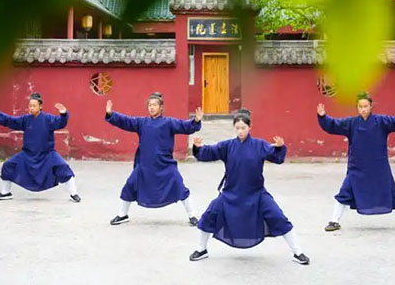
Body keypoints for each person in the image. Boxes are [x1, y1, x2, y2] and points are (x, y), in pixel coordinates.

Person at [189, 109, 310, 265]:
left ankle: (298, 252)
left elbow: (276, 157)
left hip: (256, 194)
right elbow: (209, 152)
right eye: (237, 128)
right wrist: (199, 148)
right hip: (231, 194)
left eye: (243, 128)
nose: (240, 131)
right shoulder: (227, 146)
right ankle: (201, 249)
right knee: (208, 216)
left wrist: (280, 147)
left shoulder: (259, 145)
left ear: (249, 127)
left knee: (278, 217)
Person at [317, 92, 395, 232]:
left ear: (371, 107)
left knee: (392, 193)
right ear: (357, 108)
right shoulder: (351, 123)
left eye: (365, 106)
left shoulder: (381, 121)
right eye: (360, 107)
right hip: (357, 167)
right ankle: (334, 221)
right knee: (344, 192)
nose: (363, 109)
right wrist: (323, 116)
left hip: (379, 167)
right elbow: (334, 125)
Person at [106, 92, 203, 226]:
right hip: (144, 165)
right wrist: (111, 114)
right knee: (130, 185)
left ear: (161, 107)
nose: (151, 107)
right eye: (149, 105)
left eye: (154, 105)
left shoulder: (169, 123)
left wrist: (196, 121)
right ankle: (123, 214)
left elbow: (185, 126)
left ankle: (192, 215)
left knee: (179, 186)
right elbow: (126, 121)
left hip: (165, 164)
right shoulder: (142, 122)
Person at [0, 93, 80, 202]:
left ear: (40, 106)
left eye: (34, 106)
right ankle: (5, 193)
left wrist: (63, 114)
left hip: (47, 154)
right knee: (8, 165)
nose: (31, 108)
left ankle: (74, 193)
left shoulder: (48, 119)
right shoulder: (25, 119)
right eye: (30, 106)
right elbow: (10, 120)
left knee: (63, 167)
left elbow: (60, 122)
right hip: (27, 154)